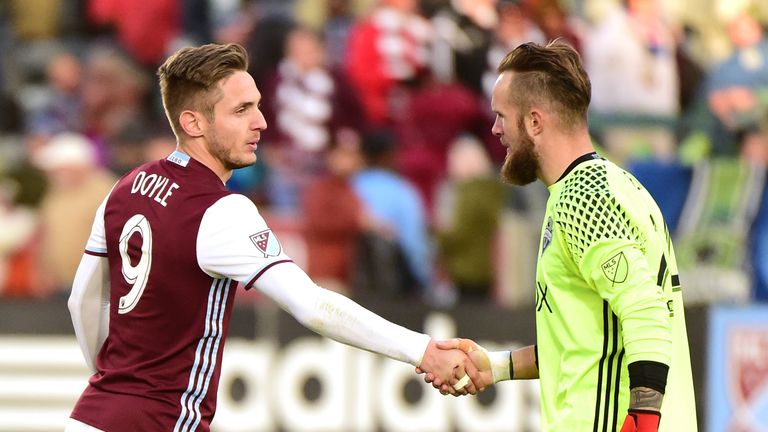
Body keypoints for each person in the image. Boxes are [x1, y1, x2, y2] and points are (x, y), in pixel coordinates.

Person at [65, 43, 477, 432]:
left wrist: (110, 380)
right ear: (193, 122)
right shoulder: (221, 211)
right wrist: (421, 349)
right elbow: (314, 306)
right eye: (242, 109)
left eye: (258, 105)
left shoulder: (126, 186)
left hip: (89, 416)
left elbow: (82, 299)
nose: (261, 121)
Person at [423, 41, 698, 431]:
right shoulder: (614, 186)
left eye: (502, 116)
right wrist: (499, 366)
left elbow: (646, 311)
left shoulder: (585, 198)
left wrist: (642, 421)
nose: (495, 129)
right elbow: (591, 342)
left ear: (535, 122)